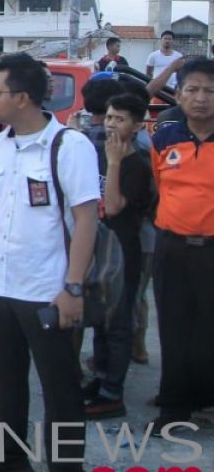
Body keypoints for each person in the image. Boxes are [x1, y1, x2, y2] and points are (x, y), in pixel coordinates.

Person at [0, 53, 99, 472]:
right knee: (7, 381)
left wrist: (73, 287)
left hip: (47, 291)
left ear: (22, 98)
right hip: (2, 288)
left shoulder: (68, 146)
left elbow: (86, 219)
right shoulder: (0, 144)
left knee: (60, 389)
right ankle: (10, 459)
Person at [148, 57, 214, 433]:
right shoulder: (165, 138)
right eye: (192, 90)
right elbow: (160, 190)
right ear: (180, 94)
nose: (200, 98)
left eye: (209, 91)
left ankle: (205, 397)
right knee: (173, 330)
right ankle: (173, 409)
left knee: (209, 331)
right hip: (171, 249)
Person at [83, 93, 154, 420]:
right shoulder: (102, 153)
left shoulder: (136, 163)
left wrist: (113, 163)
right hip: (100, 247)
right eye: (109, 117)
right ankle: (99, 378)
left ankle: (113, 392)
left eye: (120, 119)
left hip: (124, 249)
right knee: (100, 317)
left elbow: (112, 207)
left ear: (137, 126)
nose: (111, 124)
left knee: (117, 322)